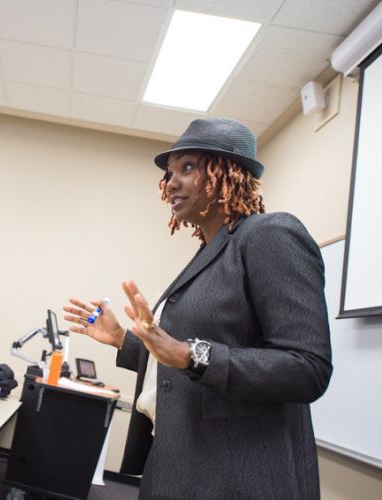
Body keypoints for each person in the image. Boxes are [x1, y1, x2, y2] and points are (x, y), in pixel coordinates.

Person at [63, 118, 333, 499]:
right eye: (169, 172)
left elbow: (308, 368)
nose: (171, 181)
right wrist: (124, 340)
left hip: (234, 476)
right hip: (177, 461)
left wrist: (192, 354)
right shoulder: (208, 254)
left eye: (187, 167)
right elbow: (175, 359)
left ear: (229, 174)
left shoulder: (269, 235)